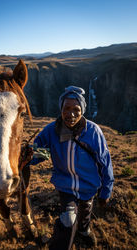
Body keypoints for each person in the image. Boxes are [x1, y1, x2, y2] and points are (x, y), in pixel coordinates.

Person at [24, 85, 114, 249]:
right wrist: (27, 158)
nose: (71, 114)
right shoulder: (51, 131)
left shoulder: (93, 131)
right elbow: (41, 154)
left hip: (88, 186)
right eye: (66, 108)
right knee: (68, 219)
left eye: (76, 110)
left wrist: (106, 190)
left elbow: (104, 161)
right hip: (65, 186)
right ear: (61, 108)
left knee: (85, 212)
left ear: (82, 110)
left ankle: (84, 230)